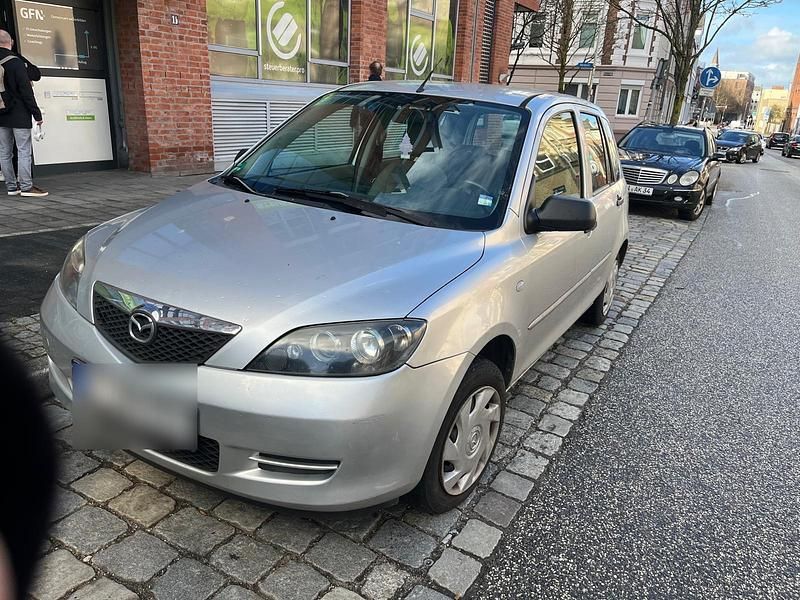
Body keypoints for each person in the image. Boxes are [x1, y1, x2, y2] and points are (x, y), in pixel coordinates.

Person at [0, 29, 47, 197]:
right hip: (19, 113)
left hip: (1, 113)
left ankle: (12, 187)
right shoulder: (15, 61)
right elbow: (26, 91)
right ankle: (26, 187)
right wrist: (37, 114)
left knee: (4, 152)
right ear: (11, 42)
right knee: (23, 150)